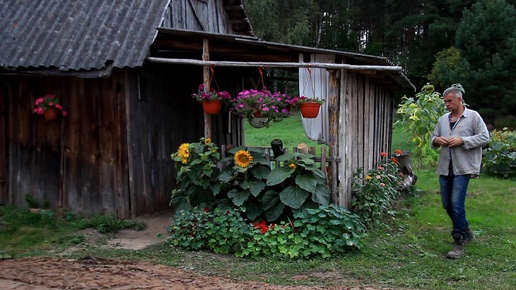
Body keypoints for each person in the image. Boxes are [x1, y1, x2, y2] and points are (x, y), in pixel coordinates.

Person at [431, 85, 490, 259]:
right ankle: (465, 228)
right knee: (447, 205)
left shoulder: (473, 117)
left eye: (450, 101)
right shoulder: (443, 119)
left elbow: (485, 137)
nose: (447, 104)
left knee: (456, 204)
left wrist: (462, 140)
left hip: (463, 168)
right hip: (445, 167)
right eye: (445, 101)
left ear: (459, 99)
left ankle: (458, 240)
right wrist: (436, 140)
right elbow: (433, 137)